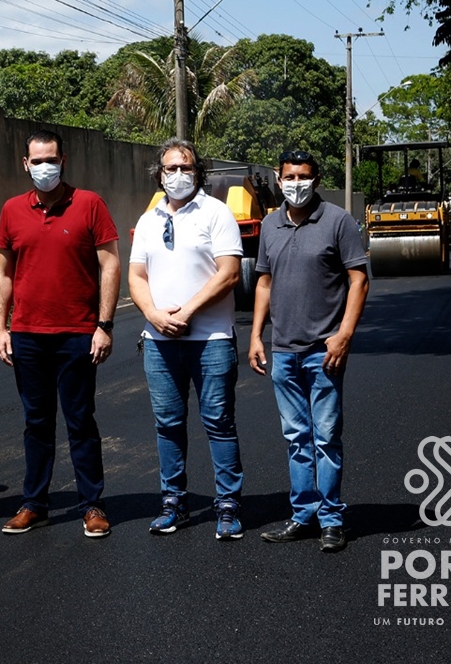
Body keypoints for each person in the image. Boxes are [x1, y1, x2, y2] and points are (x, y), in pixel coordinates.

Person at [0, 129, 121, 538]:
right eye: (38, 160)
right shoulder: (12, 210)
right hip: (28, 334)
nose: (45, 166)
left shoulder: (89, 204)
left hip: (78, 334)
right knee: (36, 422)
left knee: (80, 420)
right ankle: (34, 503)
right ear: (25, 163)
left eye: (52, 159)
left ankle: (92, 505)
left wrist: (104, 325)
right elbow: (3, 273)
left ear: (63, 160)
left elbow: (111, 265)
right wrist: (1, 328)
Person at [248, 151, 369, 553]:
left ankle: (332, 519)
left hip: (324, 351)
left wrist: (345, 334)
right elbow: (263, 283)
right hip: (283, 351)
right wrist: (256, 337)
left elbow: (358, 280)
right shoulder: (269, 224)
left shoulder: (337, 221)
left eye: (303, 176)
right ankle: (303, 515)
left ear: (316, 180)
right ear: (278, 180)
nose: (295, 183)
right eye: (288, 176)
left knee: (326, 437)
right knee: (296, 438)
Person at [128, 138, 245, 538]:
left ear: (198, 172)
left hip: (211, 339)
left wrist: (188, 311)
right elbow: (136, 277)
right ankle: (172, 503)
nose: (177, 175)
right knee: (168, 424)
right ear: (158, 174)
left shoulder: (217, 213)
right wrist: (153, 315)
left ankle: (228, 506)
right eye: (170, 168)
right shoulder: (148, 220)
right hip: (159, 342)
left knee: (218, 421)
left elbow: (229, 273)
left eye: (185, 168)